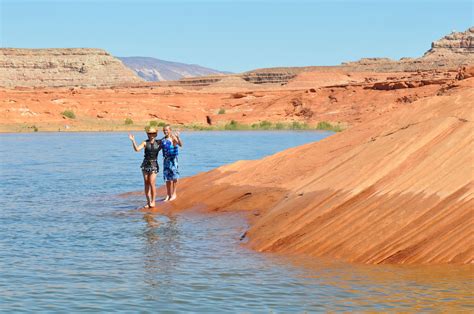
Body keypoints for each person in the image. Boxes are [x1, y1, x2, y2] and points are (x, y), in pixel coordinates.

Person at [129, 127, 161, 208]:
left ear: (155, 134)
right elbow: (136, 149)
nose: (151, 135)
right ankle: (148, 202)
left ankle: (153, 202)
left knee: (152, 183)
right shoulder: (145, 142)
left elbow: (168, 143)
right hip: (145, 164)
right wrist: (133, 140)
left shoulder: (159, 142)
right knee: (146, 183)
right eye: (150, 133)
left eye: (153, 133)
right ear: (148, 134)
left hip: (154, 164)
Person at [161, 125, 182, 201]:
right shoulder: (163, 140)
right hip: (166, 160)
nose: (165, 131)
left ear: (170, 130)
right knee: (167, 178)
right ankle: (168, 194)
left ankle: (174, 194)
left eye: (166, 130)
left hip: (173, 160)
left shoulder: (173, 138)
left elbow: (180, 144)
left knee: (174, 176)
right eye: (164, 130)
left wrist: (178, 137)